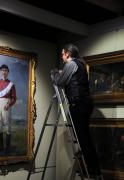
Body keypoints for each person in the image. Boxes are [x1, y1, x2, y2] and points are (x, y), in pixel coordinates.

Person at [51, 44, 104, 180]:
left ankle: (92, 169)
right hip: (85, 104)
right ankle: (93, 168)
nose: (62, 57)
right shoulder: (81, 64)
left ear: (68, 54)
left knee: (83, 138)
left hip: (78, 104)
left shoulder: (70, 64)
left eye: (63, 54)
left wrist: (55, 73)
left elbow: (60, 82)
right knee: (84, 137)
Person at [0, 64, 16, 154]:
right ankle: (1, 147)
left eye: (5, 70)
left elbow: (14, 98)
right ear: (0, 72)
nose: (4, 72)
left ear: (8, 72)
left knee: (8, 126)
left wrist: (9, 104)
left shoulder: (11, 84)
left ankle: (7, 148)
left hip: (6, 105)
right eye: (2, 70)